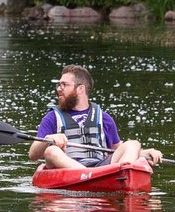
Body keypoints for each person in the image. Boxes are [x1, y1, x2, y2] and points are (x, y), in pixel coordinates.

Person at [31, 65, 161, 172]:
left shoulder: (104, 118)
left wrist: (143, 153)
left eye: (64, 85)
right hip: (67, 170)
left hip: (100, 168)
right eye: (59, 85)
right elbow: (33, 155)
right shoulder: (52, 118)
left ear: (80, 89)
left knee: (133, 144)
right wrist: (48, 139)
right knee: (51, 151)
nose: (59, 89)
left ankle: (122, 175)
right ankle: (90, 174)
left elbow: (117, 149)